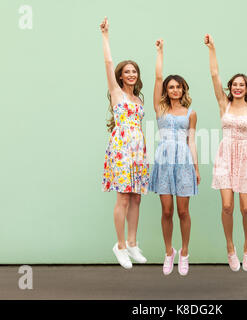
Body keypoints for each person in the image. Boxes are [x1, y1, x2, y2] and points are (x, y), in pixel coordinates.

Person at [204, 34, 247, 272]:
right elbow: (214, 75)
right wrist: (212, 48)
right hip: (225, 155)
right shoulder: (224, 104)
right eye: (234, 84)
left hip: (246, 157)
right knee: (226, 207)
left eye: (242, 85)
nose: (237, 87)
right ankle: (230, 247)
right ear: (230, 88)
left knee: (246, 209)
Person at [100, 17, 149, 269]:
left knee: (136, 198)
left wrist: (144, 153)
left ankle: (132, 242)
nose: (131, 74)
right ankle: (119, 245)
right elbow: (108, 62)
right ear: (120, 76)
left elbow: (140, 128)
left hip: (138, 150)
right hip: (121, 150)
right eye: (126, 71)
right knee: (122, 198)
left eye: (134, 71)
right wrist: (106, 36)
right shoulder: (116, 93)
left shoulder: (139, 101)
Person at [149, 39, 200, 276]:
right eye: (171, 87)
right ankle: (169, 252)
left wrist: (196, 168)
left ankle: (185, 252)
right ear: (166, 91)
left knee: (183, 212)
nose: (175, 90)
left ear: (183, 90)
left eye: (178, 87)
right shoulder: (160, 109)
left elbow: (192, 140)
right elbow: (158, 78)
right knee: (167, 211)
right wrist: (160, 52)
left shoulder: (191, 113)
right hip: (164, 160)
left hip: (184, 162)